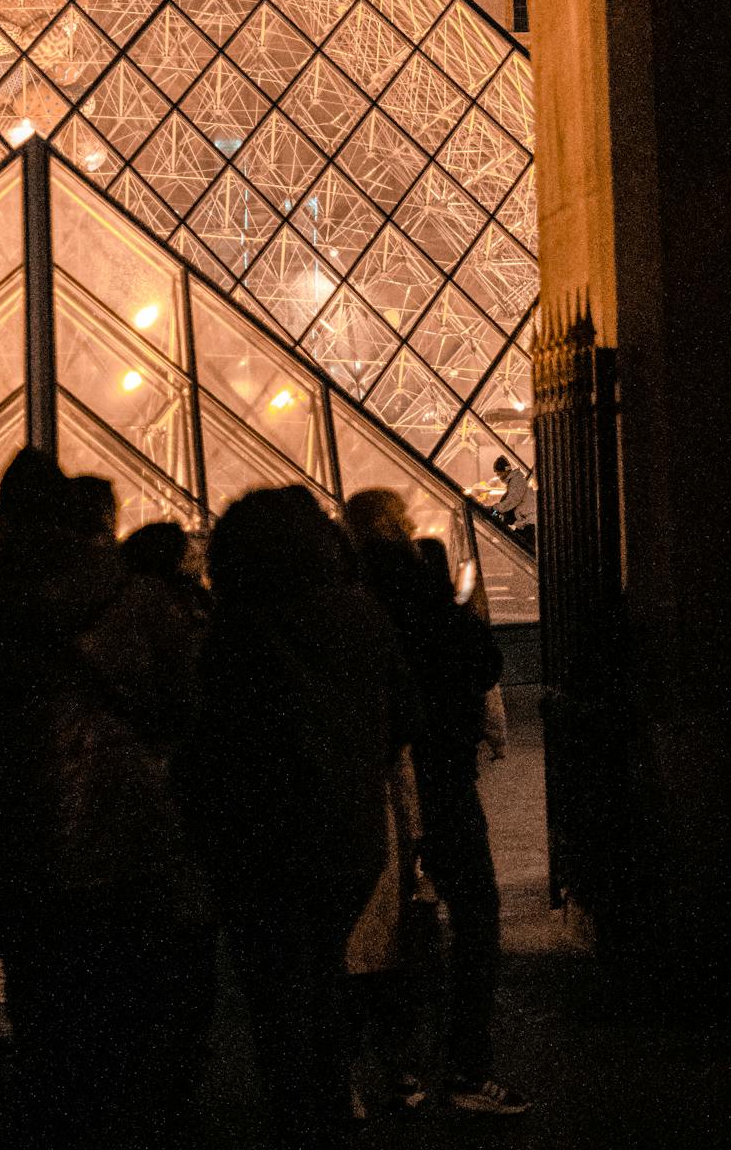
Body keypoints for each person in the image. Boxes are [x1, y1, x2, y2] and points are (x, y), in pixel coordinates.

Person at [0, 449, 207, 1150]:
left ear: (6, 520)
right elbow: (185, 711)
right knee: (123, 1012)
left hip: (14, 838)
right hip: (127, 837)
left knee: (42, 1011)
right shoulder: (137, 598)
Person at [181, 485, 411, 1144]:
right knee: (324, 974)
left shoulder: (238, 627)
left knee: (277, 993)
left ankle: (301, 1115)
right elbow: (405, 717)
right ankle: (333, 1105)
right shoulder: (362, 612)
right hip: (350, 837)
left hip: (263, 838)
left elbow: (210, 740)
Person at [344, 492, 530, 1119]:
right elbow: (480, 659)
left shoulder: (346, 597)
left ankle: (384, 1068)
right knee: (475, 916)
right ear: (400, 529)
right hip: (443, 780)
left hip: (371, 786)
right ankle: (465, 1065)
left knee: (375, 928)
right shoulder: (421, 593)